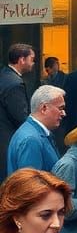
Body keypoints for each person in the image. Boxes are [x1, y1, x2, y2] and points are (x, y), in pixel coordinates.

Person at [7, 84, 63, 174]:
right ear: (44, 108)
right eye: (60, 108)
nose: (64, 113)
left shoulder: (34, 133)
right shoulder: (31, 140)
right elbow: (31, 185)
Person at [0, 43, 33, 180]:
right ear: (21, 60)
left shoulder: (4, 74)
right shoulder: (14, 84)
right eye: (32, 59)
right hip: (7, 138)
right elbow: (21, 117)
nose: (33, 63)